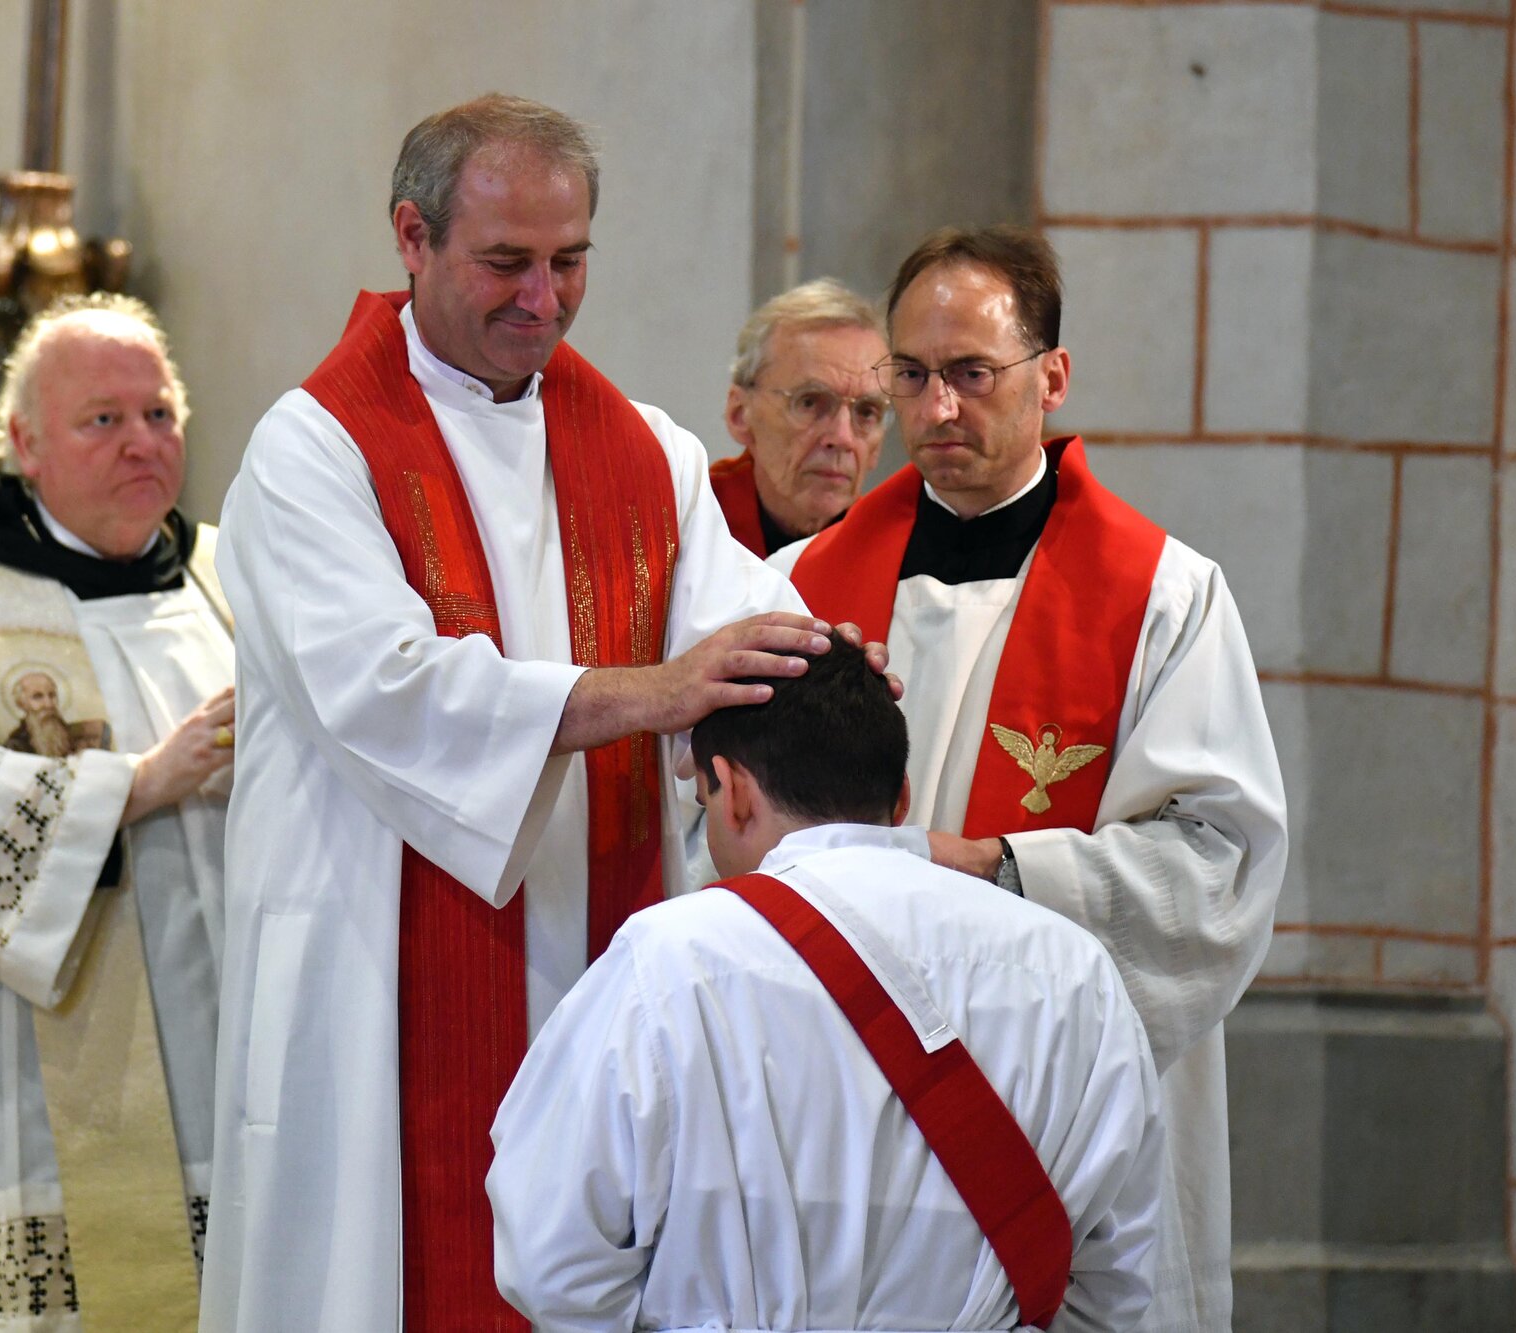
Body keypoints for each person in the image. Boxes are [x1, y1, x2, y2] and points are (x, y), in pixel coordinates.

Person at [204, 93, 832, 1332]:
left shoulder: (643, 453)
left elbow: (745, 641)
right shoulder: (311, 450)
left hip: (602, 955)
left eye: (568, 262)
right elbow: (386, 685)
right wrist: (650, 691)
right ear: (410, 237)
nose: (540, 299)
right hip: (375, 971)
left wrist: (836, 666)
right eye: (504, 263)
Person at [775, 225, 1287, 1332]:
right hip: (844, 1095)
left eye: (971, 374)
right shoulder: (795, 587)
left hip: (1060, 1109)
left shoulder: (1162, 598)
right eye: (908, 377)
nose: (935, 411)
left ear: (1050, 377)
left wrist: (998, 868)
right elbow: (713, 829)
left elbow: (1217, 866)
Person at [489, 639, 1165, 1330]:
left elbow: (548, 1260)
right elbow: (1117, 1275)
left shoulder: (665, 963)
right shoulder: (1075, 970)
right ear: (901, 797)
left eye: (704, 796)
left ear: (737, 792)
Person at [0, 294, 235, 1330]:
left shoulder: (231, 589)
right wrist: (140, 782)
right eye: (101, 419)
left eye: (158, 414)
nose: (141, 443)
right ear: (22, 443)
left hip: (234, 1079)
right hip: (36, 1105)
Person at [710, 278, 890, 556]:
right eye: (810, 403)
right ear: (740, 414)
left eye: (866, 412)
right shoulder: (686, 531)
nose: (842, 438)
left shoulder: (892, 552)